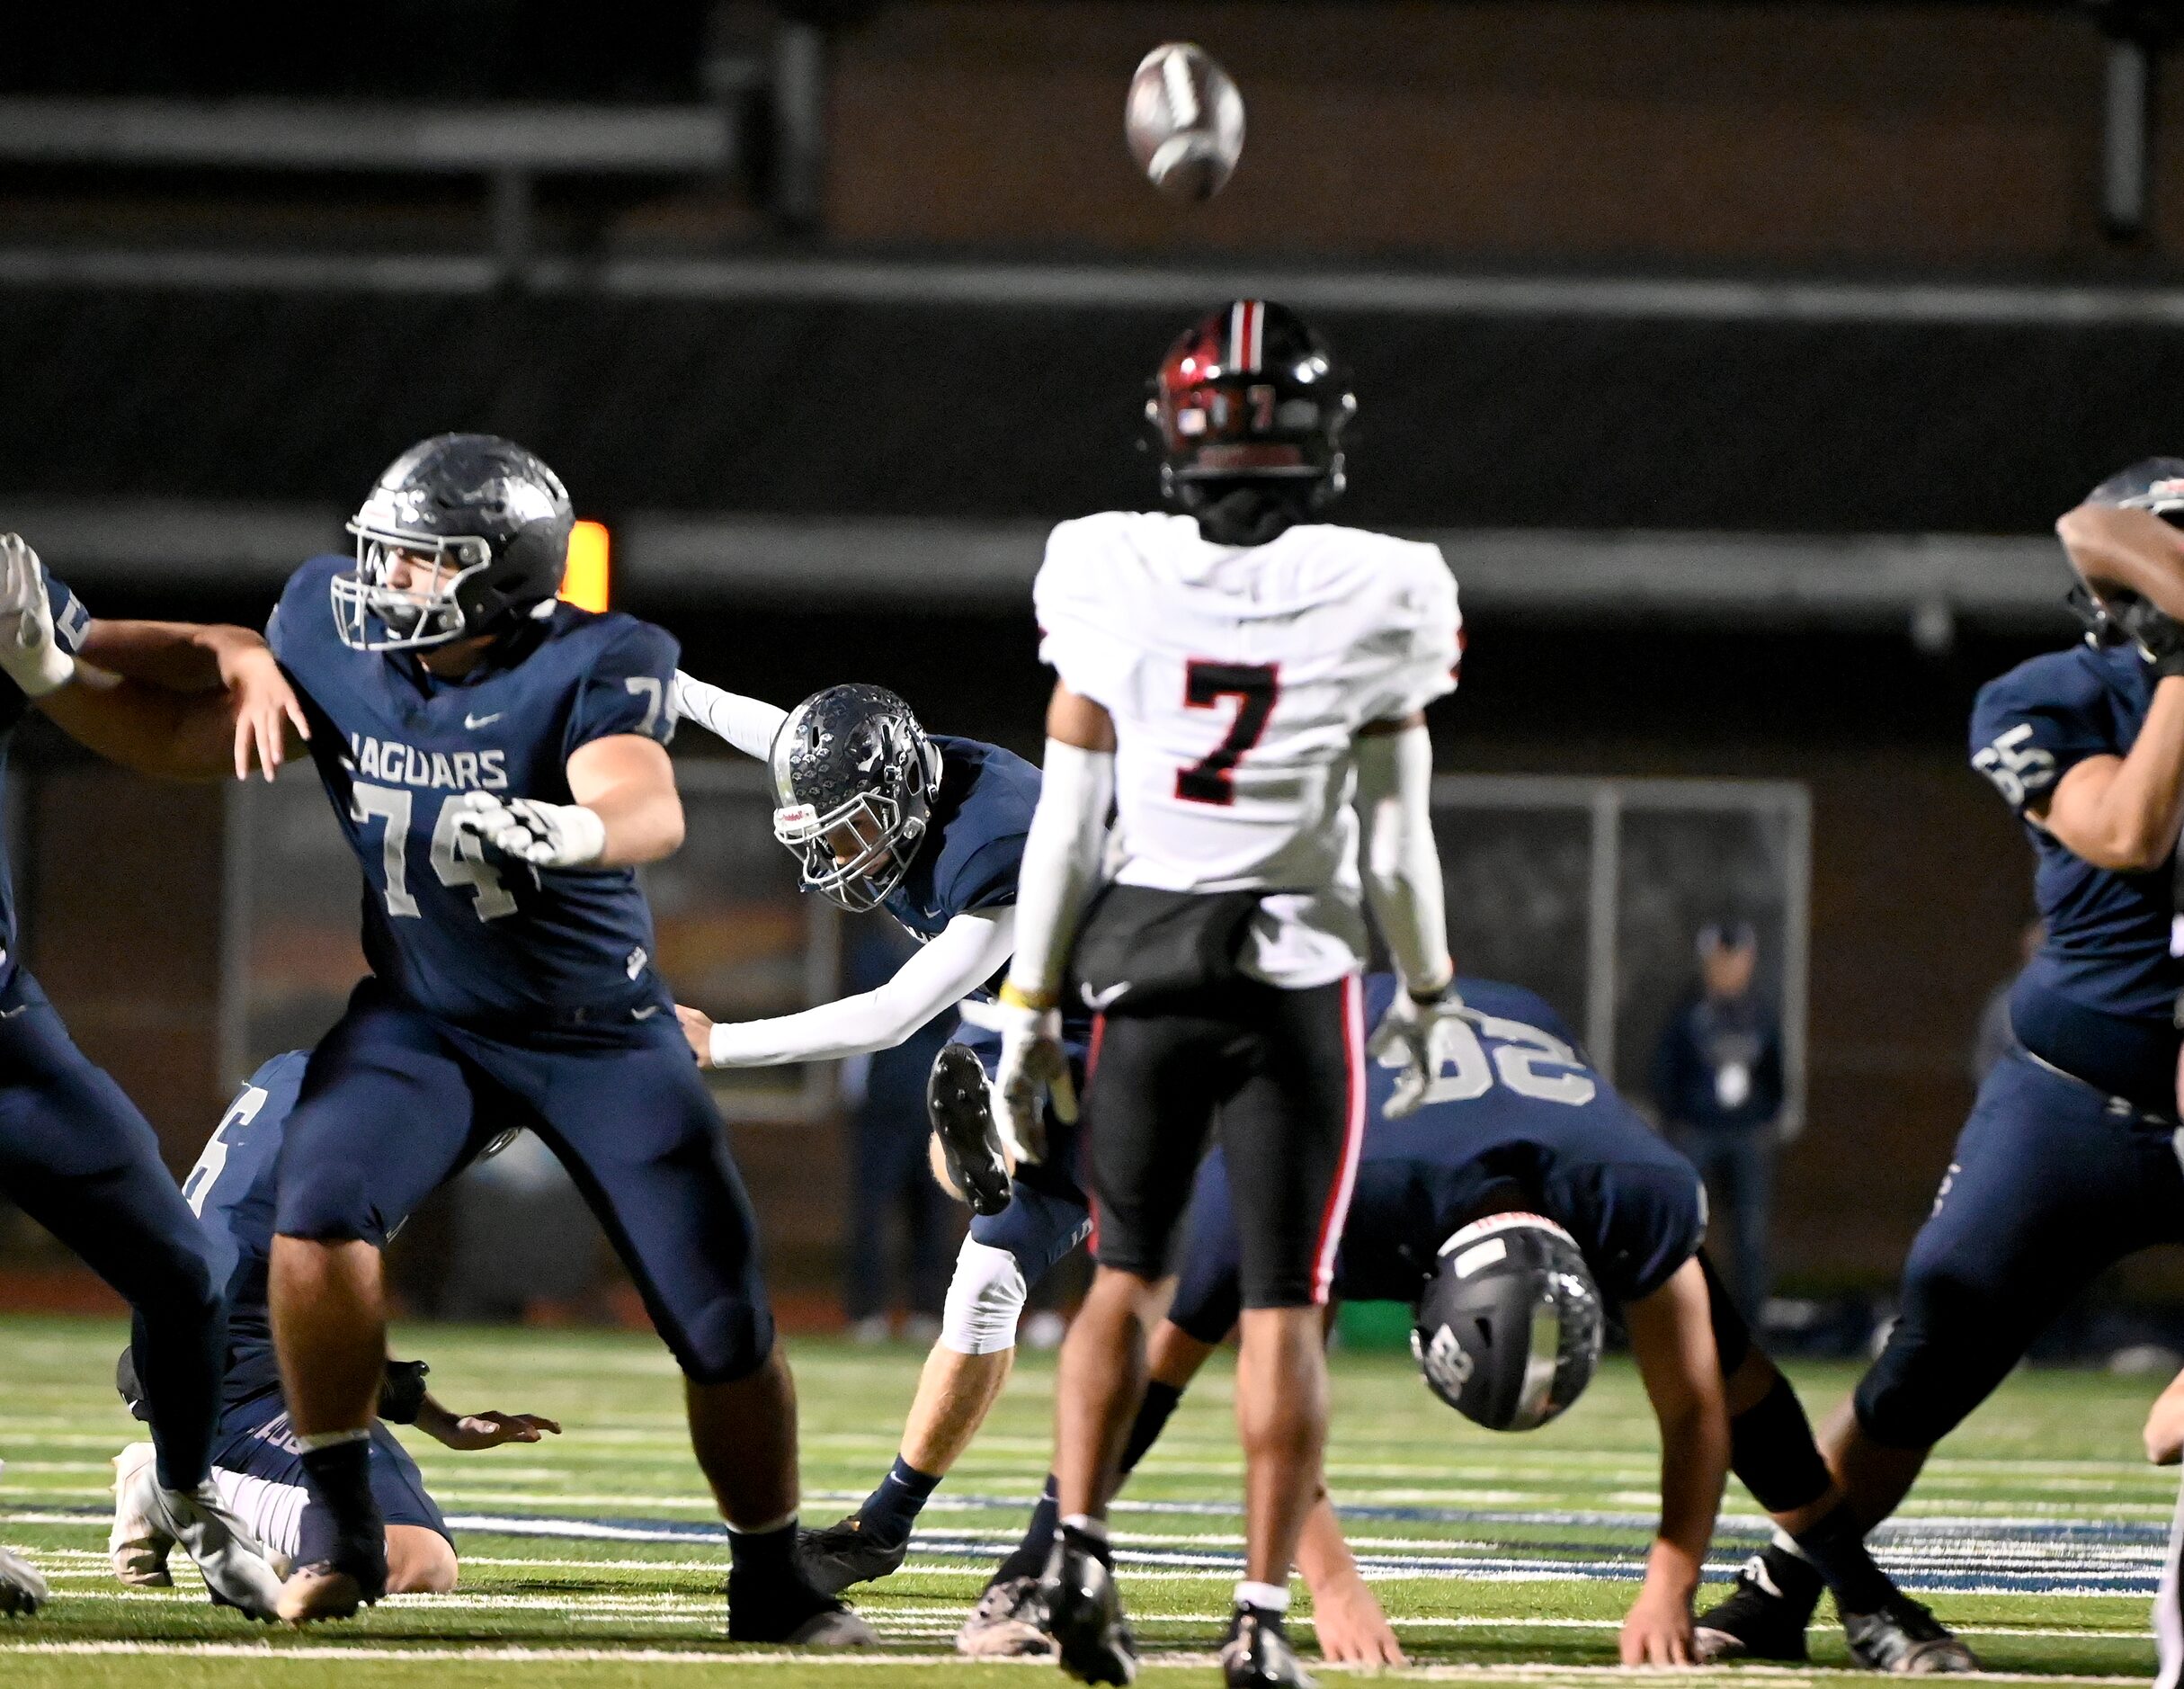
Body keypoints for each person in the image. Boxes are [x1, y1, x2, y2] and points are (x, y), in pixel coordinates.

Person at [252, 433, 865, 1643]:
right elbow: (220, 670)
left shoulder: (597, 654)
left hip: (596, 1029)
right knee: (314, 1210)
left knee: (721, 1312)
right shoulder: (320, 618)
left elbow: (644, 797)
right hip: (427, 1012)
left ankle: (771, 1577)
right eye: (386, 554)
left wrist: (563, 830)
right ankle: (344, 1527)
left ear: (502, 577)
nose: (388, 581)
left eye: (426, 563)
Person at [963, 975, 1971, 1674]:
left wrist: (1671, 1578)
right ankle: (1035, 1559)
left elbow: (1700, 1401)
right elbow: (1236, 1386)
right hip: (1330, 1044)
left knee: (1729, 1351)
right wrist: (1328, 1580)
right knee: (1174, 1341)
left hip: (1516, 1056)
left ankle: (1866, 1595)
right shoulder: (1342, 1183)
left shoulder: (1631, 1189)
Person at [992, 299, 1464, 1689]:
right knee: (1279, 1304)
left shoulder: (1102, 564)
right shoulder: (1388, 583)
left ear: (1174, 436)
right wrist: (1428, 991)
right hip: (1294, 986)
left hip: (1140, 965)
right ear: (1323, 440)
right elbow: (1392, 839)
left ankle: (1076, 1542)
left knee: (1123, 1275)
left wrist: (1028, 1006)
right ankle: (1259, 1615)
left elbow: (1068, 822)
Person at [1705, 458, 2184, 1660]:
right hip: (2072, 1094)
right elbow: (2126, 830)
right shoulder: (2041, 696)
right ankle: (1781, 1589)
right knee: (1931, 1349)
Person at [670, 675, 1094, 1592]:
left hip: (1116, 1018)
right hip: (1010, 1004)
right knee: (981, 1272)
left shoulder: (1000, 842)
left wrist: (722, 1044)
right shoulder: (881, 764)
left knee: (1039, 1237)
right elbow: (771, 731)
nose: (839, 855)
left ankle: (1001, 1146)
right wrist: (656, 680)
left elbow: (894, 1014)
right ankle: (883, 1527)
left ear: (900, 795)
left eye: (851, 830)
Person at [0, 532, 308, 1620]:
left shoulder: (2, 591)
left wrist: (243, 654)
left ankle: (185, 1495)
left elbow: (148, 659)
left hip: (4, 1029)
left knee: (182, 1270)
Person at [109, 1051, 562, 1595]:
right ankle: (177, 1486)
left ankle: (248, 1511)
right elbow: (330, 1309)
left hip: (208, 1346)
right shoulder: (369, 1131)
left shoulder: (309, 1072)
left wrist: (441, 1422)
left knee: (394, 1552)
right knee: (414, 1563)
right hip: (231, 1370)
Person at [1650, 921, 1785, 1325]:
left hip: (1743, 1135)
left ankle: (1750, 1329)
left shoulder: (1760, 1014)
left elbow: (1776, 1077)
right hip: (1697, 1133)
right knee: (1686, 1228)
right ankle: (1681, 1321)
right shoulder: (1689, 1013)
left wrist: (1762, 1119)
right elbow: (1665, 1074)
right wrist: (1678, 1122)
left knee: (1749, 1235)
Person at [836, 925, 958, 1343]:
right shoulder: (874, 949)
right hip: (893, 1098)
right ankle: (876, 1310)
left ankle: (915, 1309)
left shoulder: (939, 944)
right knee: (879, 1209)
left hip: (924, 1098)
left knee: (927, 1208)